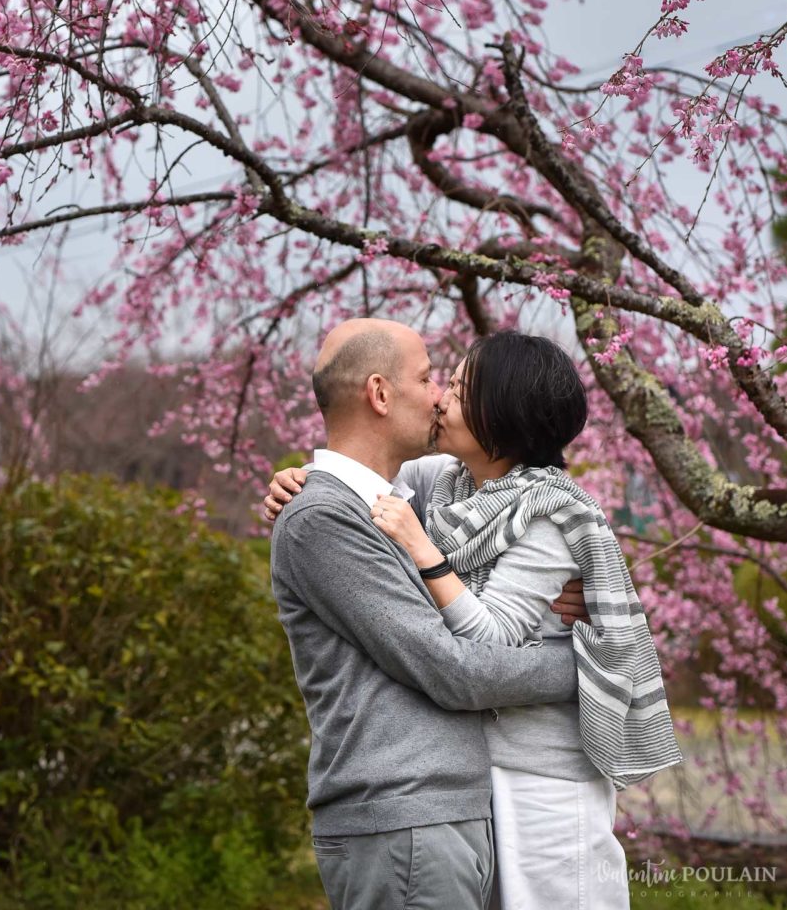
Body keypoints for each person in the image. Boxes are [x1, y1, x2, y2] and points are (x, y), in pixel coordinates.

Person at [268, 329, 682, 910]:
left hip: (542, 773)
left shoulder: (548, 513)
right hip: (463, 780)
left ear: (500, 413)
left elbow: (483, 647)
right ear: (382, 393)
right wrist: (301, 479)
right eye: (432, 379)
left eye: (456, 387)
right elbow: (352, 480)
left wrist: (582, 665)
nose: (439, 397)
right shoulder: (441, 484)